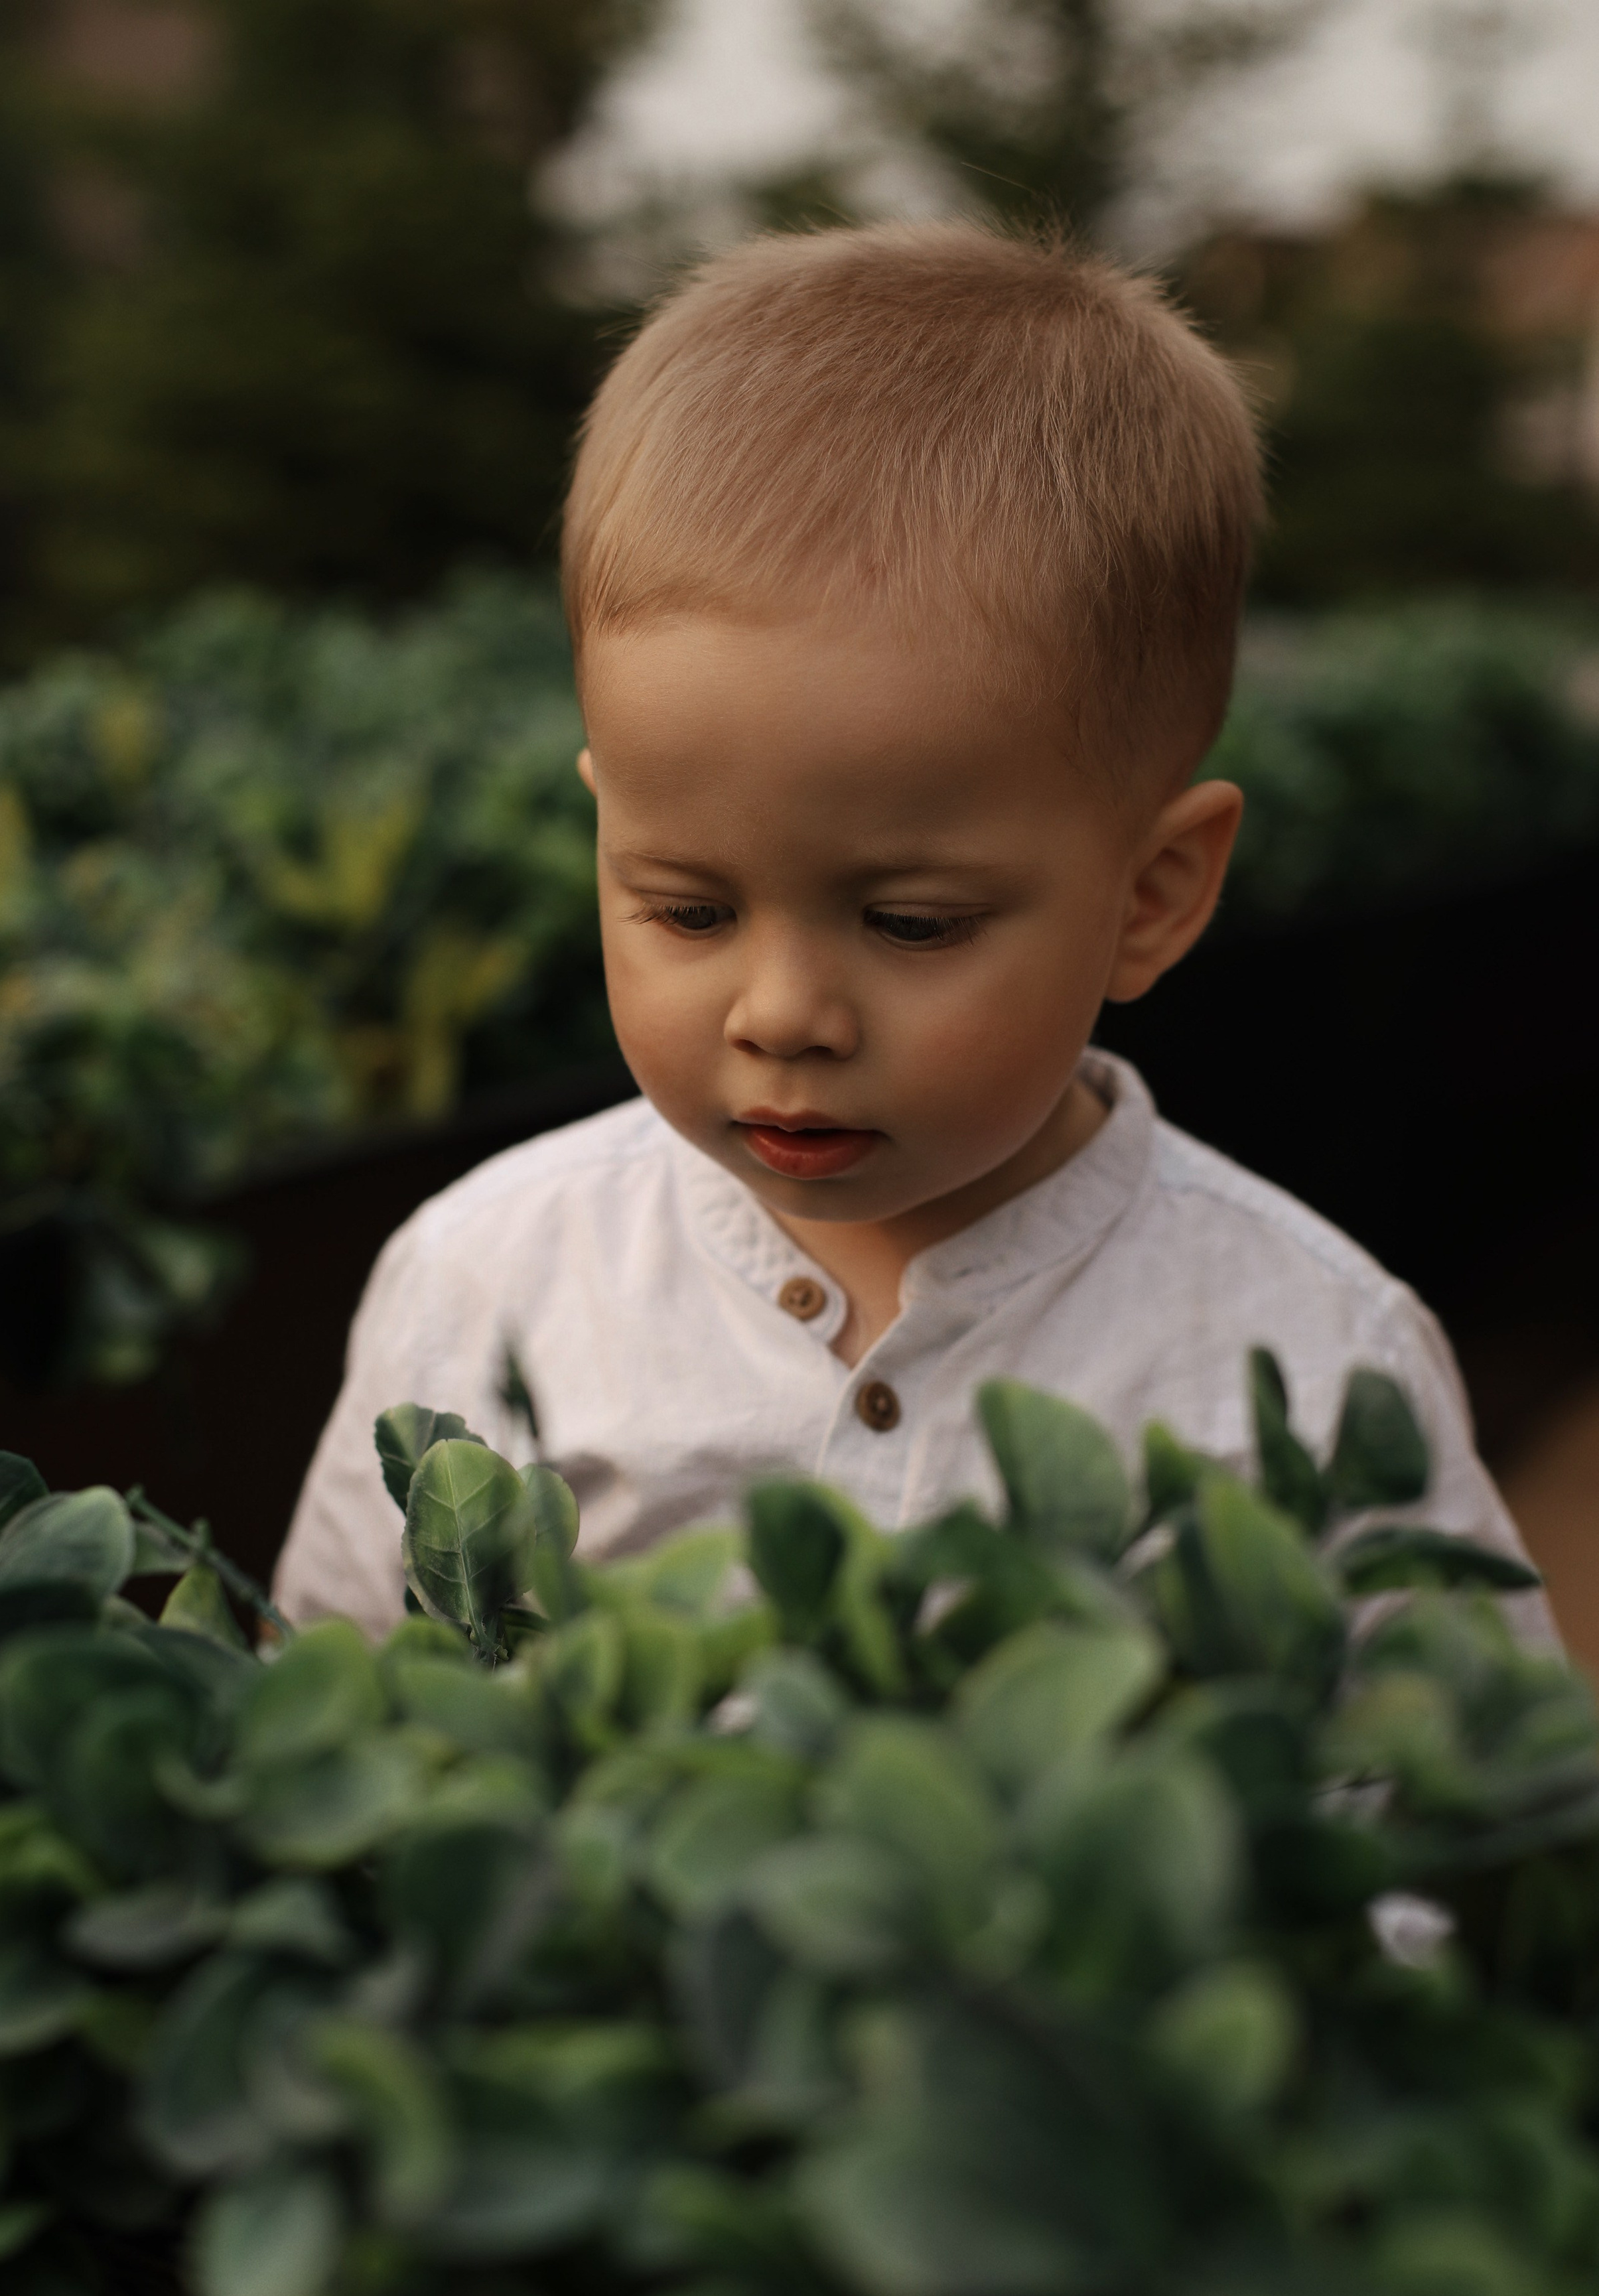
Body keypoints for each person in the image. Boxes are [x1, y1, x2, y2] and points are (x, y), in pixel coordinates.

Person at [275, 221, 1551, 1643]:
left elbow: (1457, 1820)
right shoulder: (488, 1280)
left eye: (910, 922)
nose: (782, 1013)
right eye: (686, 908)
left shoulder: (1309, 1361)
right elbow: (323, 1715)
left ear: (1152, 897)